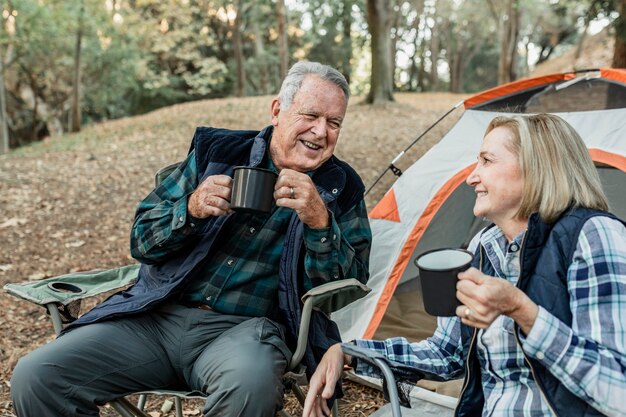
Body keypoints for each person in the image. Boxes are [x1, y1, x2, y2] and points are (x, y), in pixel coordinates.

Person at [10, 61, 372, 417]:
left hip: (245, 334)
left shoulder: (339, 188)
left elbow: (341, 293)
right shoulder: (216, 153)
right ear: (278, 110)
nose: (321, 132)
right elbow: (141, 240)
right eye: (311, 115)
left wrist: (319, 223)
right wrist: (192, 209)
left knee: (249, 387)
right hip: (155, 318)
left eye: (334, 122)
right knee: (38, 376)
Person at [303, 113, 626, 417]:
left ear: (537, 167)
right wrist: (350, 351)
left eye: (486, 160)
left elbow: (617, 391)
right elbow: (448, 352)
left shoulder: (593, 235)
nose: (472, 177)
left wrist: (523, 312)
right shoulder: (485, 247)